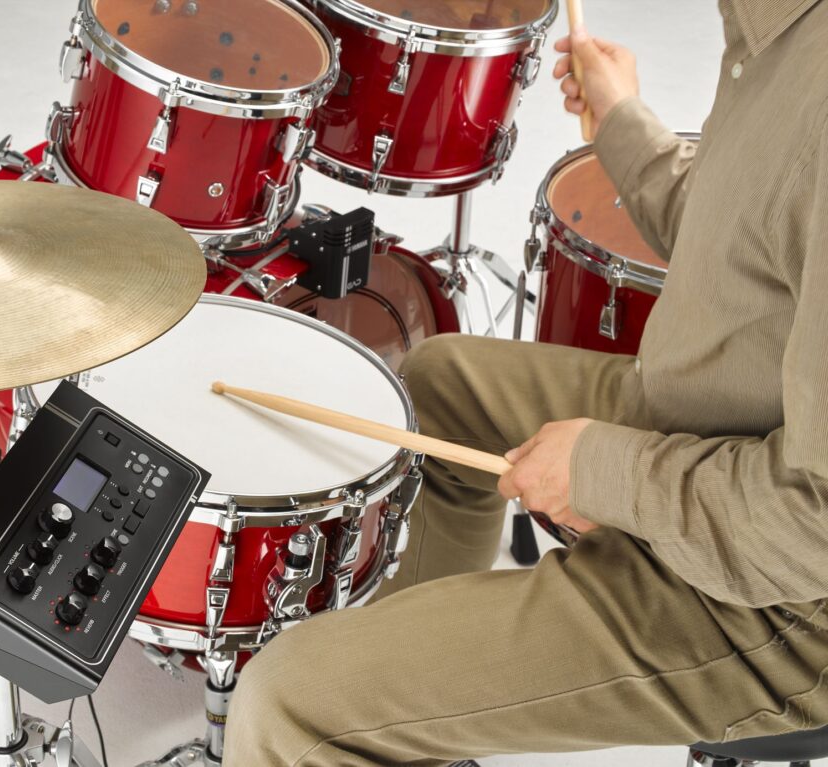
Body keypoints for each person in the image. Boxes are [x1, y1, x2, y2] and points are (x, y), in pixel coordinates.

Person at [223, 1, 828, 764]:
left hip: (779, 608)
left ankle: (352, 720)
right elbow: (742, 237)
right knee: (443, 383)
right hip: (709, 431)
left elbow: (814, 524)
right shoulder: (776, 27)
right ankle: (408, 717)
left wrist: (606, 473)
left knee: (288, 702)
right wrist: (621, 119)